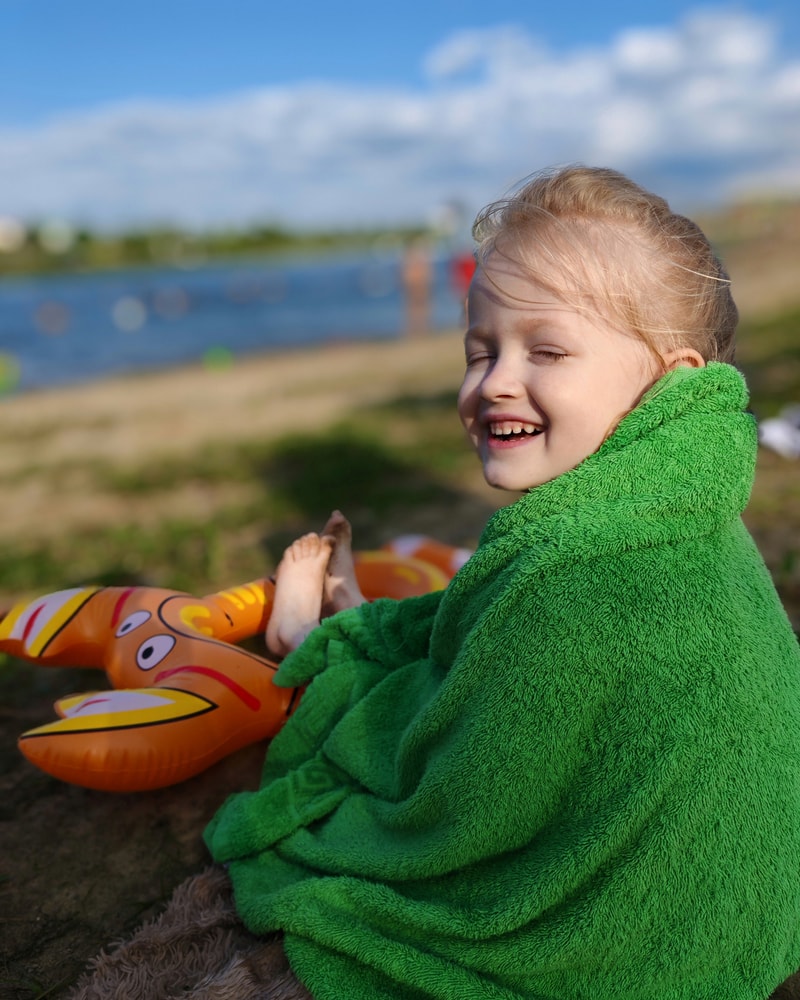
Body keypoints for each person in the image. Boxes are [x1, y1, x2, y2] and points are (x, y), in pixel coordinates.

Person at [203, 166, 800, 999]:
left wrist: (339, 688)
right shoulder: (688, 507)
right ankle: (343, 621)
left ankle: (310, 640)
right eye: (480, 352)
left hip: (632, 945)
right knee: (441, 632)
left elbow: (463, 792)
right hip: (756, 910)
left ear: (669, 379)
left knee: (372, 727)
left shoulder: (577, 574)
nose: (494, 383)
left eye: (546, 350)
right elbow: (493, 623)